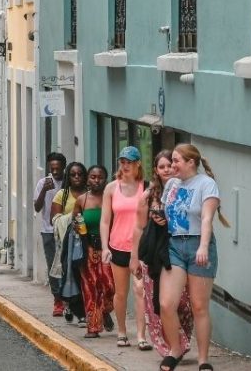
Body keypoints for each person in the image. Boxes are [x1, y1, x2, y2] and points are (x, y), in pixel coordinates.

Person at [158, 144, 229, 371]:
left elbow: (207, 219)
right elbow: (168, 213)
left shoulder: (206, 184)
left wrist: (203, 247)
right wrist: (160, 219)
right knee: (167, 303)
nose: (172, 165)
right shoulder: (171, 184)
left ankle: (203, 359)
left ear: (190, 162)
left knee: (199, 306)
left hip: (199, 244)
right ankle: (175, 349)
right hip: (174, 246)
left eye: (177, 160)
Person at [139, 151, 193, 357]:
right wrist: (135, 259)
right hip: (154, 257)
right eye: (162, 167)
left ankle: (181, 339)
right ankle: (170, 347)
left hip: (179, 254)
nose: (167, 170)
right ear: (156, 170)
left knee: (184, 304)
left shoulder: (185, 190)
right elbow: (139, 228)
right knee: (158, 304)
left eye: (170, 165)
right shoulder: (148, 195)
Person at [101, 146, 150, 349]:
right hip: (118, 246)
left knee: (140, 290)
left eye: (129, 161)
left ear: (138, 163)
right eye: (122, 161)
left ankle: (141, 336)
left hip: (140, 249)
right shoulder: (111, 188)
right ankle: (122, 332)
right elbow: (105, 221)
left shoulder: (147, 187)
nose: (125, 165)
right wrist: (105, 247)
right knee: (120, 293)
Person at [72, 165, 115, 339]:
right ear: (88, 179)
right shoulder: (81, 200)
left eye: (100, 177)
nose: (96, 180)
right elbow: (75, 222)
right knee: (90, 288)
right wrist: (76, 226)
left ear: (106, 179)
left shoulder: (111, 198)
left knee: (109, 286)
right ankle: (93, 326)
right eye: (93, 177)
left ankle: (105, 311)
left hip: (108, 249)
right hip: (88, 249)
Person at [52, 162, 89, 324]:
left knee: (84, 276)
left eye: (80, 174)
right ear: (68, 176)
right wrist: (71, 219)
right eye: (73, 174)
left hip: (86, 241)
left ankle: (84, 310)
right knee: (70, 273)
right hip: (68, 241)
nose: (77, 177)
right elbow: (54, 219)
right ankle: (70, 305)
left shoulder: (90, 194)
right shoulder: (62, 195)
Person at [34, 152, 66, 316]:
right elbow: (37, 208)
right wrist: (44, 191)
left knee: (67, 265)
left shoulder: (68, 183)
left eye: (57, 168)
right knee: (53, 267)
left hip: (66, 230)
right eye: (52, 168)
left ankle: (68, 298)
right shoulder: (43, 183)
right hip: (48, 231)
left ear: (63, 168)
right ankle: (57, 300)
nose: (54, 172)